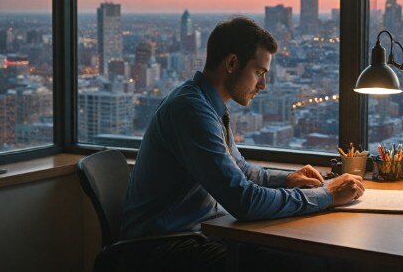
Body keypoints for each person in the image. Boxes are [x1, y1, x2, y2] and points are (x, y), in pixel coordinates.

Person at [117, 17, 364, 271]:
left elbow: (242, 171)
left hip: (193, 235)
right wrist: (326, 195)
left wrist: (289, 179)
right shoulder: (191, 111)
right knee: (306, 262)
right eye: (259, 72)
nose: (263, 85)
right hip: (162, 249)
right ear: (232, 63)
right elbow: (243, 201)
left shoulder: (208, 105)